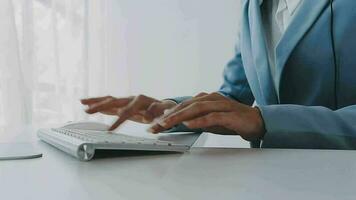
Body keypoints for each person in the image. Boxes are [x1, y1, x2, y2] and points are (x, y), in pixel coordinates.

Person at [81, 0, 356, 149]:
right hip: (269, 181)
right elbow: (233, 100)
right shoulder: (252, 7)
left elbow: (252, 117)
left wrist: (264, 121)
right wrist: (171, 111)